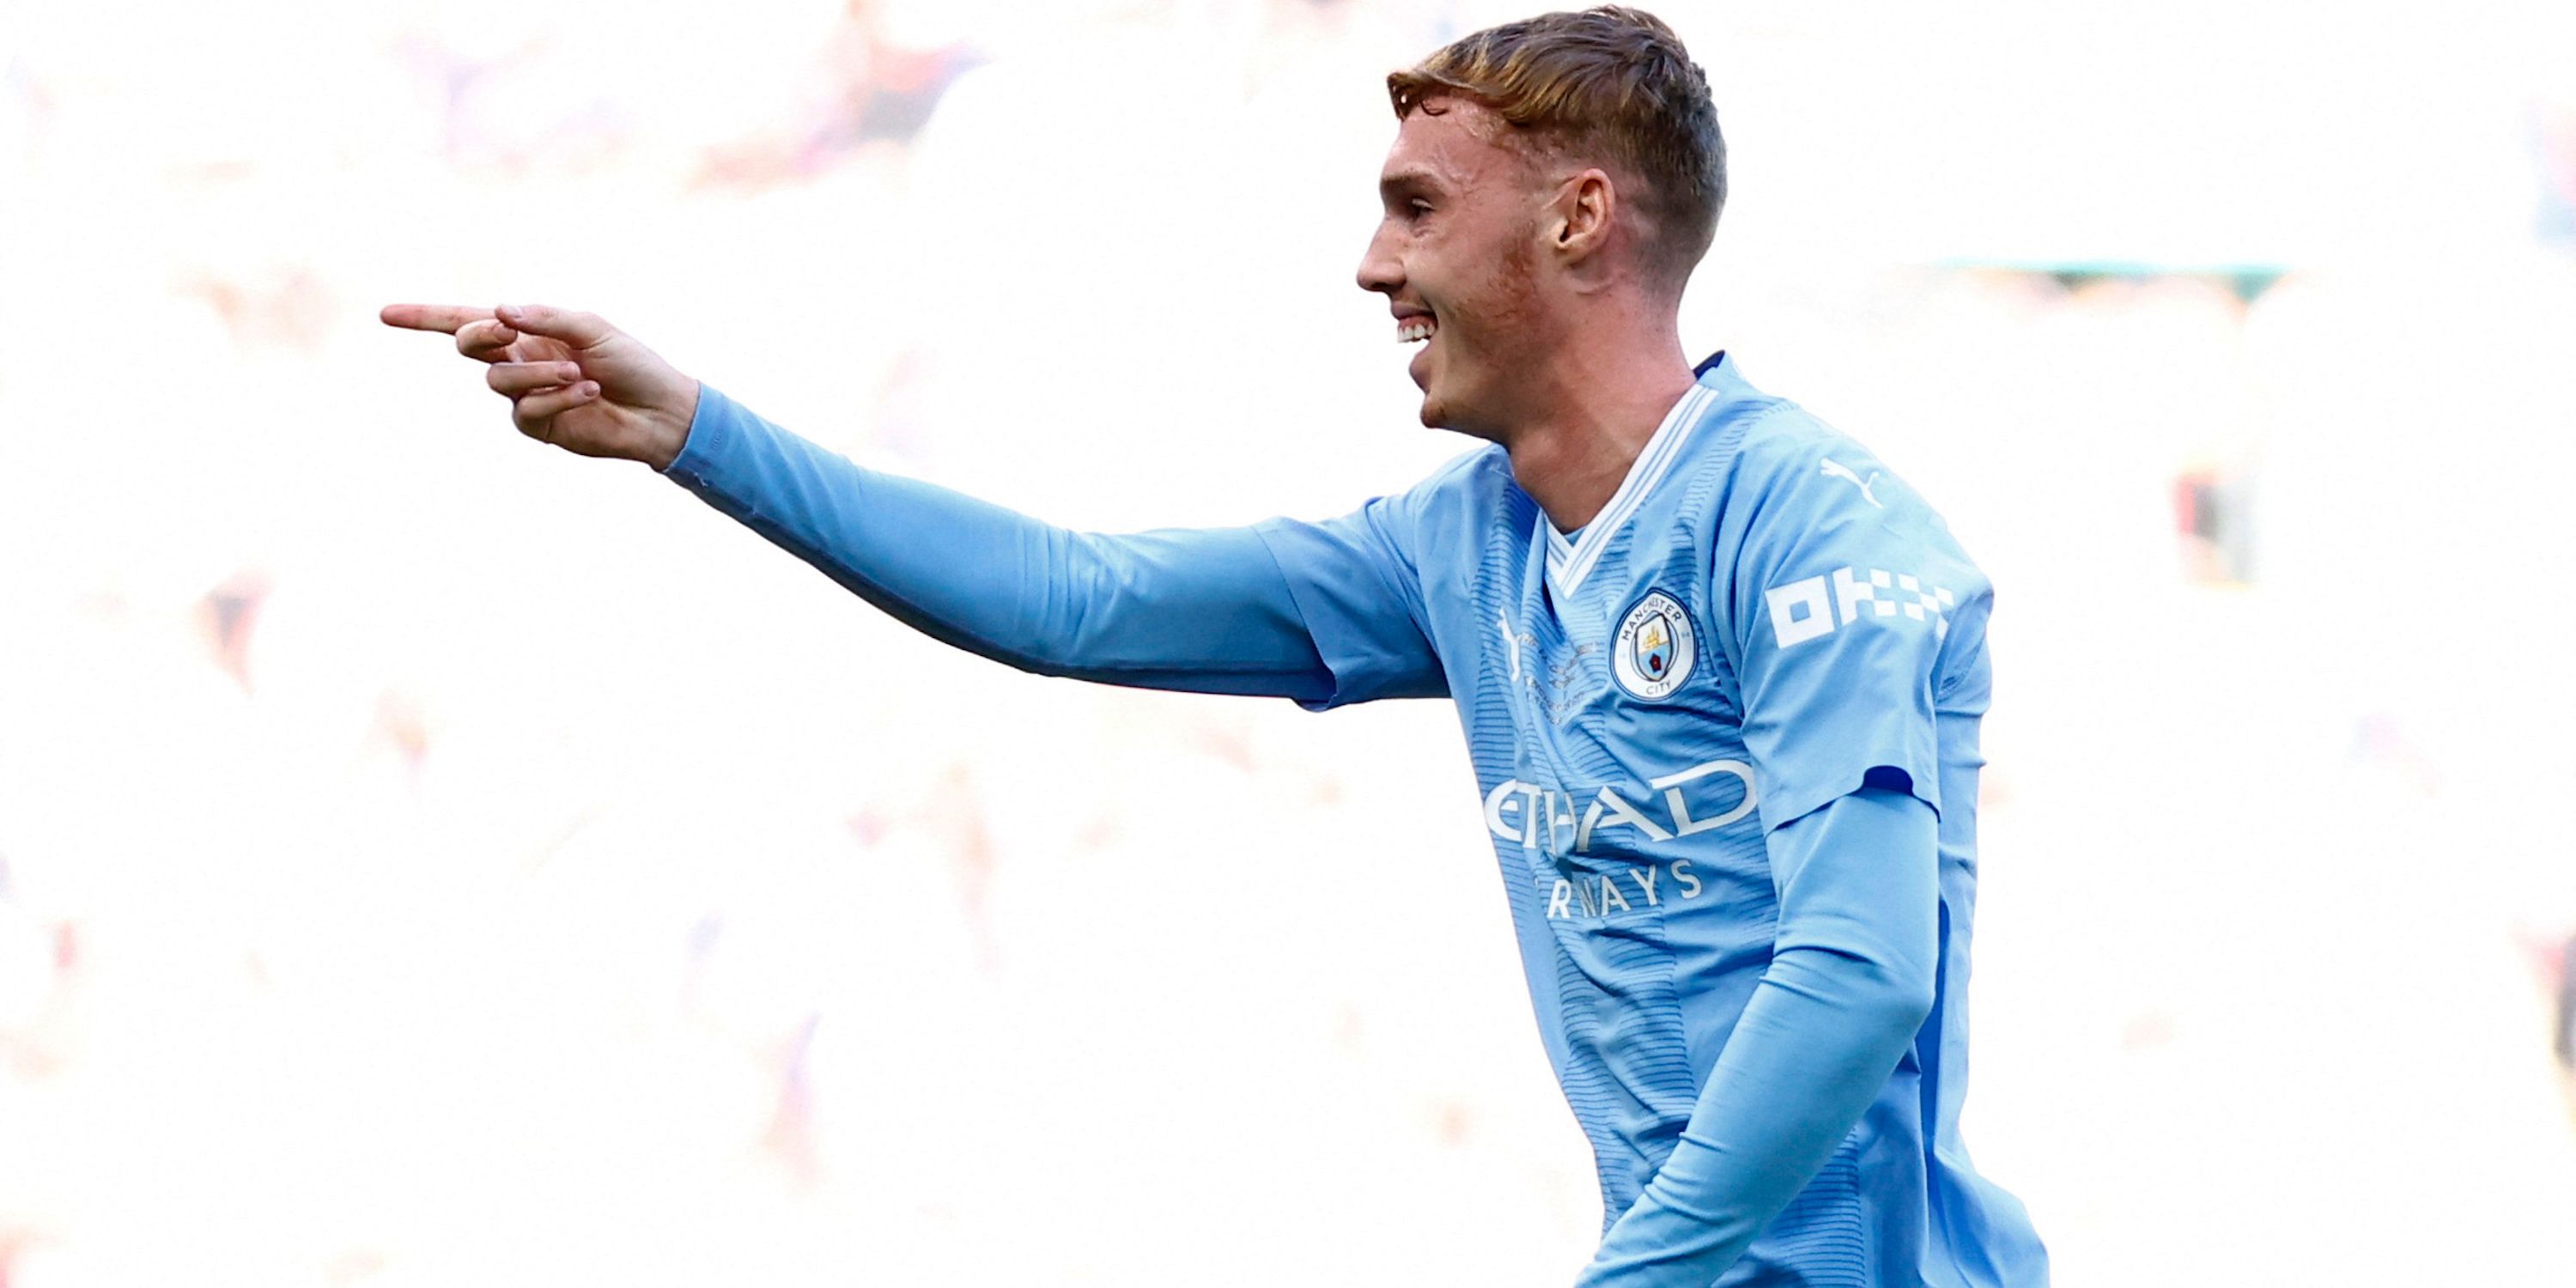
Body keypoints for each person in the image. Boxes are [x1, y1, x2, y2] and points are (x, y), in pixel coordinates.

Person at [384, 7, 2048, 1284]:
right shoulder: (1457, 549)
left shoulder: (1818, 533)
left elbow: (1860, 971)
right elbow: (1069, 600)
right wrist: (694, 431)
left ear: (1580, 222)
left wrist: (1639, 1270)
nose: (1371, 262)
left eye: (1415, 208)